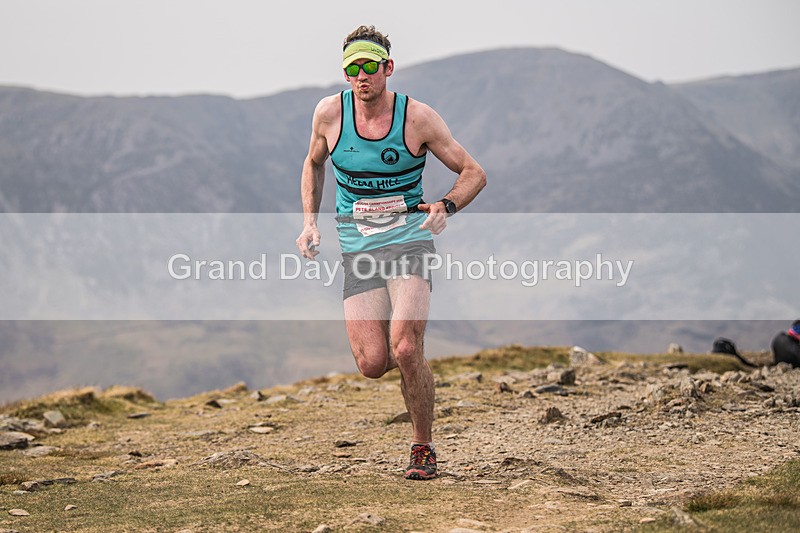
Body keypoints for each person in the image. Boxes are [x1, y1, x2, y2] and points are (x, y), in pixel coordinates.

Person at [295, 25, 486, 480]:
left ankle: (423, 448)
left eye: (369, 67)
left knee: (404, 347)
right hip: (358, 249)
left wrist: (446, 205)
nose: (361, 76)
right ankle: (411, 366)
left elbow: (473, 172)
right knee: (372, 363)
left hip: (408, 244)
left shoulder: (416, 118)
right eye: (352, 69)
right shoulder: (328, 114)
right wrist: (309, 222)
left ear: (388, 68)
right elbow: (313, 163)